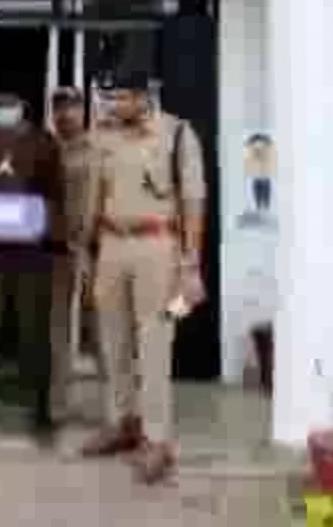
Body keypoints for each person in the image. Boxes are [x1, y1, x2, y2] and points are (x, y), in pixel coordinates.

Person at [78, 69, 207, 485]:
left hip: (158, 246)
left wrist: (191, 264)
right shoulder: (103, 136)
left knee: (154, 342)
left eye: (120, 98)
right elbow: (94, 195)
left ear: (142, 96)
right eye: (109, 99)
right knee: (111, 340)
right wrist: (87, 251)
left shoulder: (177, 134)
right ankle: (123, 422)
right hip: (111, 246)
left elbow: (193, 202)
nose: (113, 106)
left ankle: (157, 441)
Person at [0, 89, 65, 445]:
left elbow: (54, 191)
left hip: (31, 251)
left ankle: (40, 414)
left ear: (24, 107)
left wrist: (48, 235)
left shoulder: (44, 142)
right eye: (0, 104)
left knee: (34, 332)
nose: (6, 109)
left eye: (12, 103)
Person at [48, 85, 95, 424]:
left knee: (103, 328)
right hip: (55, 251)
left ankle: (121, 409)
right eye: (59, 107)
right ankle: (58, 404)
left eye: (72, 106)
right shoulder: (45, 151)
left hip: (94, 250)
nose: (65, 113)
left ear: (83, 110)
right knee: (57, 332)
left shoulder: (98, 150)